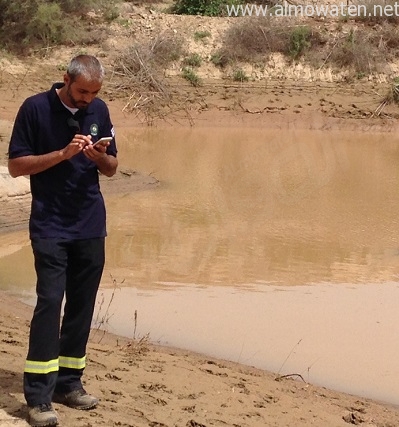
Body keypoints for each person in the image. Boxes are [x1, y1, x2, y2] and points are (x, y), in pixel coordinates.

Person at [8, 55, 118, 427]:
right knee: (50, 302)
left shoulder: (99, 109)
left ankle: (69, 383)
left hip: (90, 223)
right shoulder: (35, 108)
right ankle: (38, 397)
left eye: (94, 92)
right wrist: (64, 154)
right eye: (83, 91)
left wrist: (99, 157)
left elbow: (113, 168)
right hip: (50, 225)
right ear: (65, 80)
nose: (88, 98)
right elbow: (16, 166)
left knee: (82, 305)